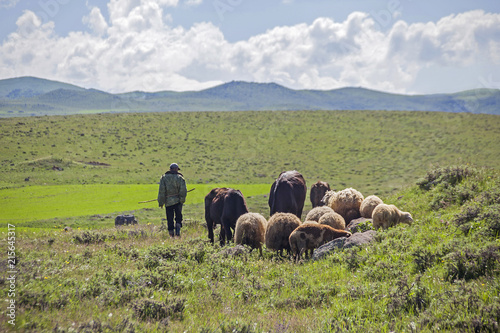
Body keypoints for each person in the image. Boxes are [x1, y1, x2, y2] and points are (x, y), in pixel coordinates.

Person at [157, 163, 187, 237]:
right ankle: (178, 231)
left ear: (170, 169)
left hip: (168, 202)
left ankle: (171, 234)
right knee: (178, 217)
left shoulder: (164, 178)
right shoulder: (180, 178)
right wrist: (182, 200)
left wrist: (161, 202)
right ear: (176, 169)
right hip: (178, 201)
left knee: (169, 218)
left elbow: (162, 191)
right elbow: (183, 190)